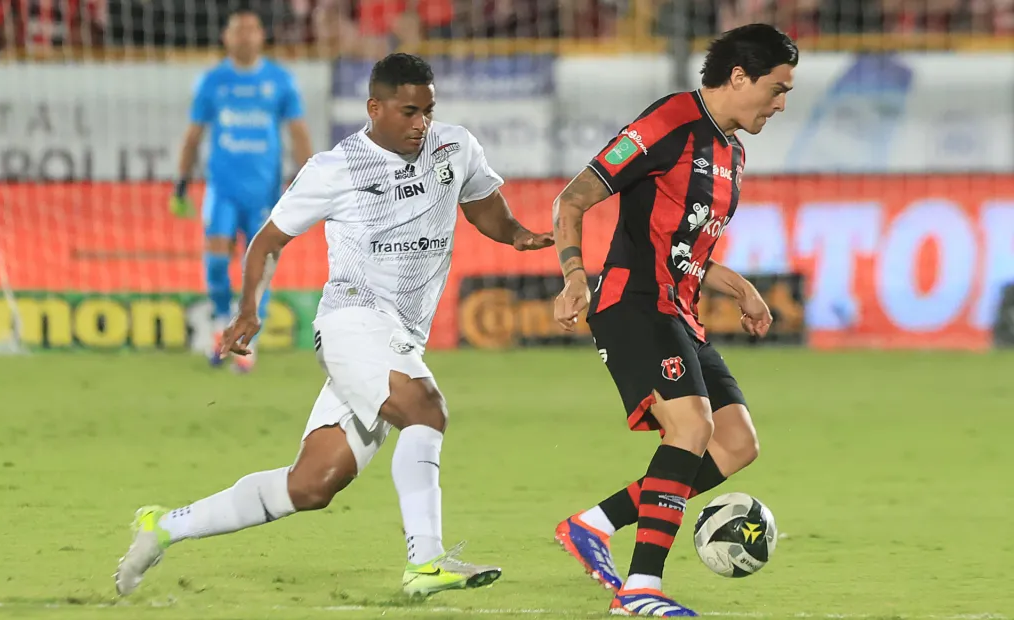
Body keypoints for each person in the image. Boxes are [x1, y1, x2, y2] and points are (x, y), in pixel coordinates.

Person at [115, 52, 553, 599]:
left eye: (428, 111)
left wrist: (515, 234)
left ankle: (165, 526)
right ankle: (426, 561)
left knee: (312, 484)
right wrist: (249, 310)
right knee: (426, 408)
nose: (422, 123)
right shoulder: (337, 167)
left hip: (398, 336)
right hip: (352, 320)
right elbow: (268, 240)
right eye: (409, 111)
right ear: (375, 108)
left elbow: (482, 204)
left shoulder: (455, 146)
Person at [550, 24, 798, 617]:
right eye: (777, 89)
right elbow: (574, 197)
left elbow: (689, 248)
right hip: (632, 303)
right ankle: (640, 589)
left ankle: (592, 524)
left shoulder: (733, 153)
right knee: (690, 428)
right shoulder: (668, 122)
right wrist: (573, 274)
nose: (782, 103)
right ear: (738, 77)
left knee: (736, 444)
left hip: (679, 312)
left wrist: (741, 288)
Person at [170, 7, 313, 373]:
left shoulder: (280, 81)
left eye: (252, 29)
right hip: (223, 189)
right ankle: (220, 323)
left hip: (265, 192)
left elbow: (297, 132)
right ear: (226, 38)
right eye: (238, 30)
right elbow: (193, 135)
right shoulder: (212, 81)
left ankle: (249, 340)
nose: (245, 36)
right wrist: (182, 183)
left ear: (262, 37)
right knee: (217, 259)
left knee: (259, 268)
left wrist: (309, 180)